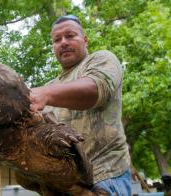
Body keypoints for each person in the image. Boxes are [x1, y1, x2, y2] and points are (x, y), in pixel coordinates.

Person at [29, 15, 132, 195]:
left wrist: (44, 94)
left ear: (85, 40)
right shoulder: (50, 86)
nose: (63, 42)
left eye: (70, 36)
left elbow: (95, 89)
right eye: (57, 40)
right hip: (65, 185)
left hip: (105, 178)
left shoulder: (101, 59)